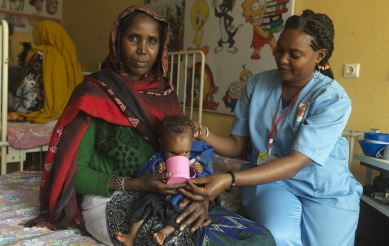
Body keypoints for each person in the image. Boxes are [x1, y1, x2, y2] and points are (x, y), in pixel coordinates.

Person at [25, 5, 275, 246]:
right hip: (111, 199)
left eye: (152, 41)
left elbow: (189, 152)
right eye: (133, 38)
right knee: (185, 240)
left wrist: (201, 199)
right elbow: (76, 174)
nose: (142, 50)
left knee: (260, 237)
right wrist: (136, 184)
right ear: (116, 41)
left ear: (161, 46)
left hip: (170, 197)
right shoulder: (93, 94)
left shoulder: (165, 95)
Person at [182, 9, 363, 246]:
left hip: (324, 189)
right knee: (279, 237)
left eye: (294, 55)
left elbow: (295, 163)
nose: (282, 59)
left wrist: (229, 179)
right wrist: (201, 132)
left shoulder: (331, 99)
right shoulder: (257, 84)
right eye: (280, 50)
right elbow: (237, 146)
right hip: (271, 181)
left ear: (319, 56)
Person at [115, 114, 214, 246]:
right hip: (160, 198)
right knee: (144, 202)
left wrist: (198, 170)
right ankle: (131, 236)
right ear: (162, 144)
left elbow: (207, 179)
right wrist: (158, 170)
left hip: (181, 197)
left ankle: (164, 232)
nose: (180, 156)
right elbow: (146, 176)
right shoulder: (158, 158)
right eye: (172, 153)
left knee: (185, 212)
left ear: (192, 144)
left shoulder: (197, 158)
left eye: (185, 152)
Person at [13, 20, 83, 123]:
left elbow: (29, 83)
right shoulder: (69, 56)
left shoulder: (40, 53)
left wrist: (23, 110)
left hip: (39, 108)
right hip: (70, 111)